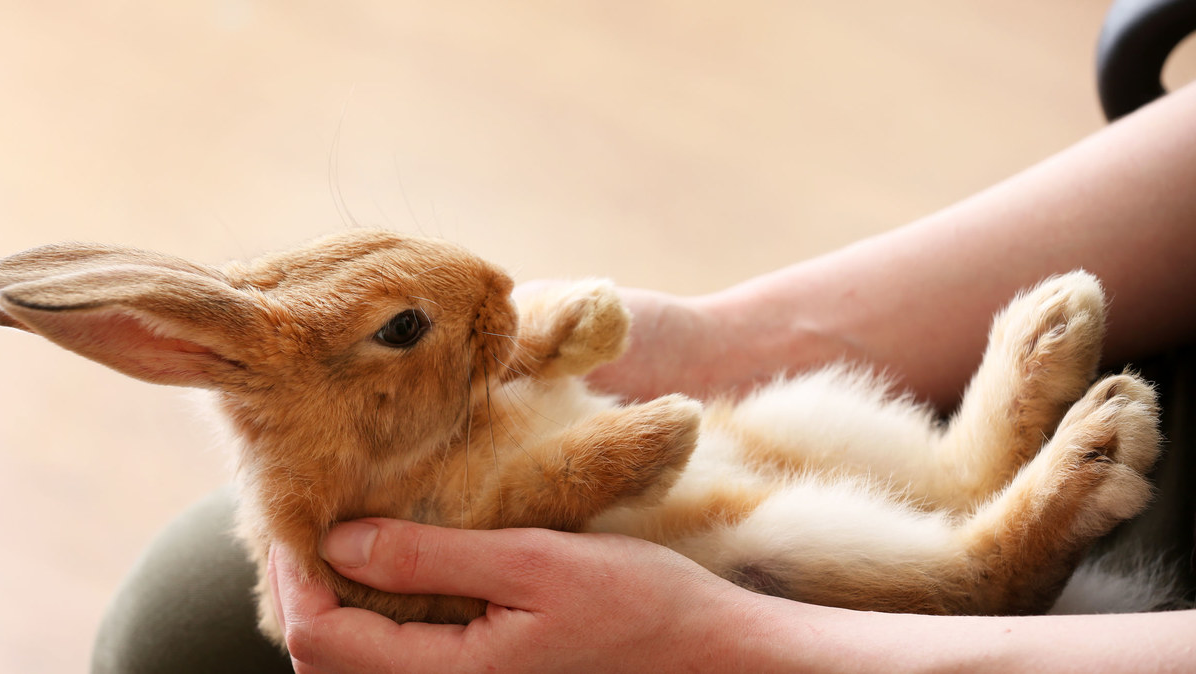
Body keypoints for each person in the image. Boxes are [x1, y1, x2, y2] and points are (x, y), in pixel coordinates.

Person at [93, 81, 1196, 672]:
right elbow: (505, 503)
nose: (495, 293)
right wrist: (734, 334)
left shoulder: (383, 415)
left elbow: (562, 466)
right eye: (408, 323)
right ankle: (969, 480)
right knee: (790, 412)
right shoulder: (340, 481)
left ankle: (984, 565)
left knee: (778, 546)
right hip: (713, 475)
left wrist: (743, 645)